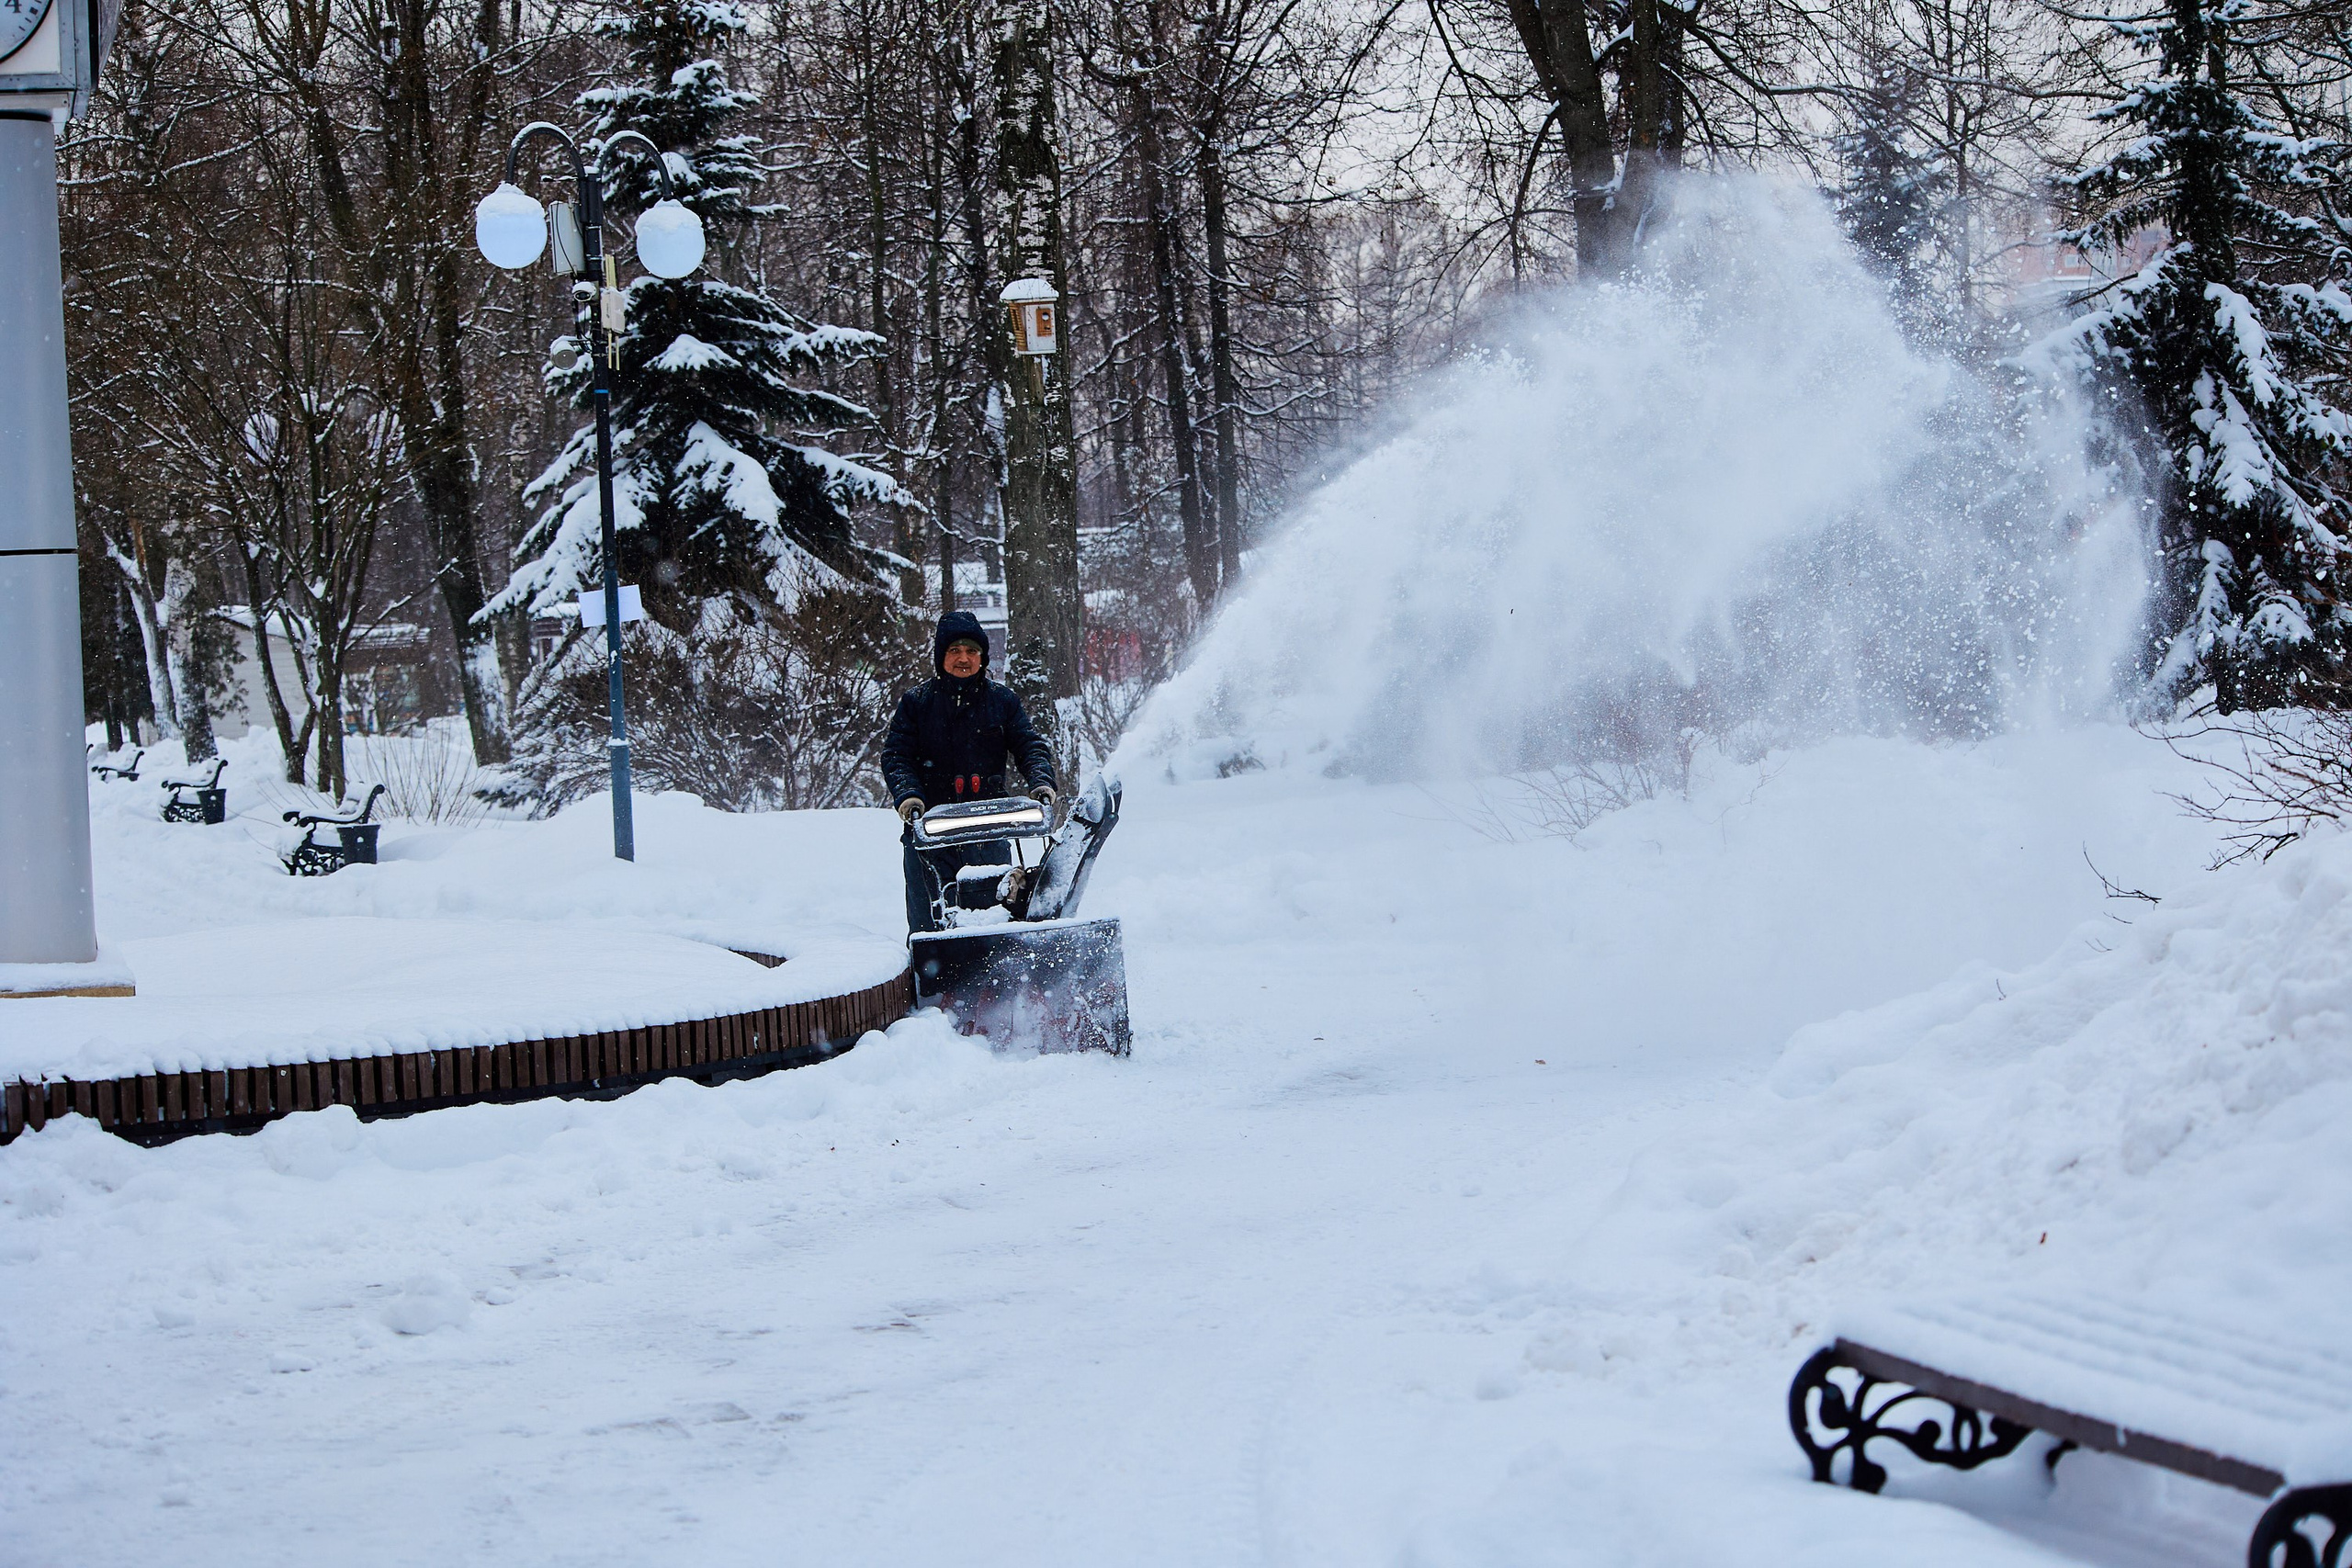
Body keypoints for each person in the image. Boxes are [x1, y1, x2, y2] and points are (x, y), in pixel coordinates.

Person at [881, 609, 1057, 935]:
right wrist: (909, 796)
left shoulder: (1002, 701)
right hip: (931, 831)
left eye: (972, 651)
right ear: (941, 656)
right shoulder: (916, 703)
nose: (964, 658)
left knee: (996, 921)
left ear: (982, 658)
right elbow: (896, 755)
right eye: (955, 650)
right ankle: (932, 964)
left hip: (988, 830)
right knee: (930, 926)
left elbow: (1029, 745)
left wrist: (1041, 781)